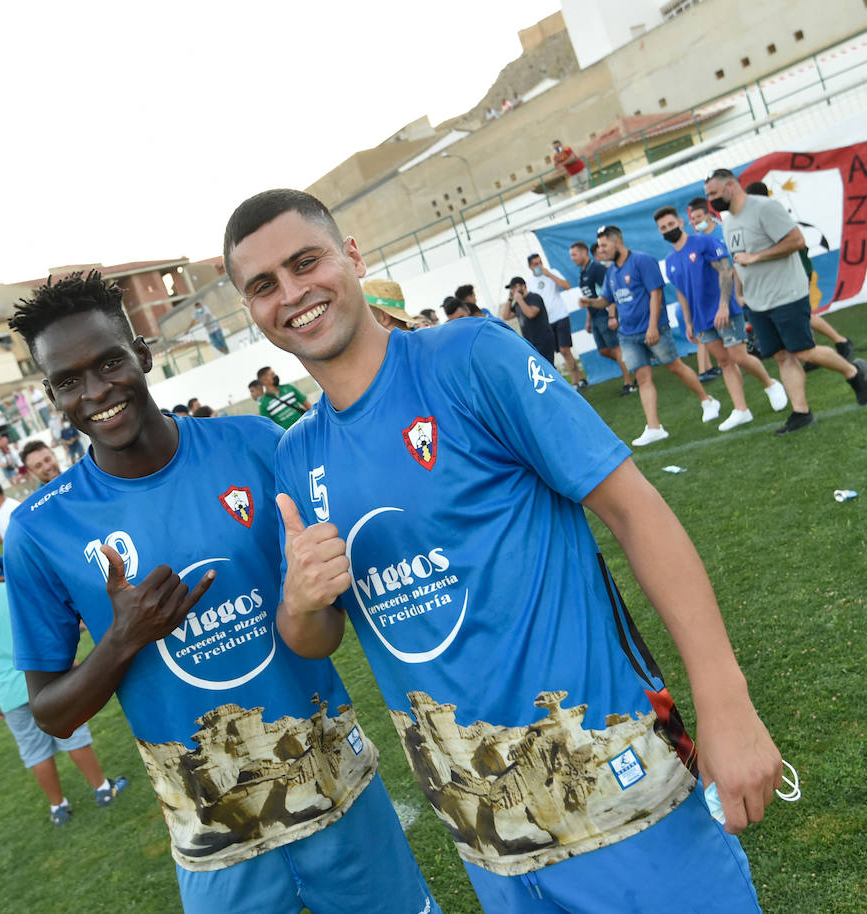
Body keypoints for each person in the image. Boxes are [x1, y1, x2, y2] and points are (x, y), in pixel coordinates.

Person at [224, 188, 784, 914]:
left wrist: (726, 700)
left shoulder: (469, 356)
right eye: (264, 286)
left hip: (618, 790)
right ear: (250, 310)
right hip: (488, 838)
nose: (293, 294)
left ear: (353, 257)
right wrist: (299, 603)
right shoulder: (296, 456)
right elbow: (316, 634)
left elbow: (635, 511)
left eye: (306, 262)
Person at [3, 270, 440, 914]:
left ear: (143, 356)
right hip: (214, 841)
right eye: (69, 380)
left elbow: (341, 597)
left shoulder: (258, 447)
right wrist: (123, 638)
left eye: (109, 362)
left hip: (338, 793)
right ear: (51, 393)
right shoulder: (41, 529)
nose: (96, 391)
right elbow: (52, 714)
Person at [0, 542, 127, 826]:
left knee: (34, 751)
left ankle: (58, 807)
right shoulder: (12, 592)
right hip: (46, 681)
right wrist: (69, 665)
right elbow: (47, 633)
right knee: (74, 736)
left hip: (8, 694)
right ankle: (102, 789)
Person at [703, 169, 867, 435]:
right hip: (757, 302)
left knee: (804, 351)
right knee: (781, 355)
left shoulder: (765, 208)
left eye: (713, 193)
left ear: (731, 186)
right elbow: (738, 260)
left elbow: (796, 240)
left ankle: (854, 372)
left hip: (787, 294)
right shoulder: (728, 222)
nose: (711, 200)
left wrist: (757, 257)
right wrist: (739, 291)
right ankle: (801, 413)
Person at [655, 206, 789, 431]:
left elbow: (726, 271)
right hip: (701, 320)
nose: (668, 229)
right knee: (724, 362)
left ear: (680, 222)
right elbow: (681, 292)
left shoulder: (703, 243)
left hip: (723, 310)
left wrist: (724, 305)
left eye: (670, 224)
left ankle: (771, 384)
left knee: (739, 356)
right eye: (663, 228)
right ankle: (741, 410)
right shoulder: (670, 261)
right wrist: (687, 322)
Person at [597, 225, 721, 446]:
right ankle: (655, 428)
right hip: (628, 335)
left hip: (654, 329)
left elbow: (656, 293)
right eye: (599, 246)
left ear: (617, 242)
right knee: (643, 378)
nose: (601, 250)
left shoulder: (642, 261)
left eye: (604, 245)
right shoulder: (611, 272)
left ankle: (708, 400)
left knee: (675, 367)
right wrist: (589, 303)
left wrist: (653, 326)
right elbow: (606, 300)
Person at [741, 183, 855, 367]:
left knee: (803, 315)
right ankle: (820, 348)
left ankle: (840, 342)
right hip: (793, 273)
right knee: (802, 316)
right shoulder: (765, 216)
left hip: (797, 273)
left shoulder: (770, 216)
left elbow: (795, 244)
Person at [572, 241, 636, 396]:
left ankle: (630, 383)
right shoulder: (583, 273)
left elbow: (610, 293)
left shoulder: (597, 269)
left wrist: (612, 315)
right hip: (594, 317)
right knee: (603, 351)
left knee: (616, 349)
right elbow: (590, 297)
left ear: (584, 252)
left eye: (574, 254)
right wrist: (588, 320)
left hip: (605, 315)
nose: (572, 258)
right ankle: (634, 363)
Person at [525, 253, 587, 389]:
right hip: (546, 322)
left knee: (565, 350)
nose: (539, 266)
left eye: (540, 262)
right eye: (535, 264)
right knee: (556, 353)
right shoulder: (529, 282)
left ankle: (576, 382)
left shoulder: (552, 272)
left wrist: (549, 275)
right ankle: (580, 377)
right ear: (530, 267)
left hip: (561, 316)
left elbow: (567, 285)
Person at [500, 276, 556, 362]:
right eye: (511, 288)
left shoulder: (534, 297)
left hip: (543, 340)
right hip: (531, 342)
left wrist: (519, 299)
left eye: (515, 287)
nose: (513, 290)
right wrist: (510, 299)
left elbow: (531, 314)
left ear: (523, 286)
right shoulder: (518, 304)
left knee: (548, 367)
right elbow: (506, 316)